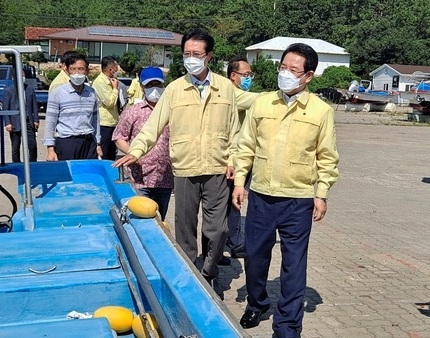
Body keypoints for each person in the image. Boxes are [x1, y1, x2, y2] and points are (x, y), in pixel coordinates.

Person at [114, 29, 240, 299]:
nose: (191, 59)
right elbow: (153, 126)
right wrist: (136, 150)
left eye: (197, 54)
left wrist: (233, 160)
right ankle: (190, 277)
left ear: (209, 56)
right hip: (184, 169)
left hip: (218, 168)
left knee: (218, 230)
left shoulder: (225, 88)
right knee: (184, 231)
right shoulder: (174, 89)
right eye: (187, 54)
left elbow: (235, 130)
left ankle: (208, 272)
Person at [232, 43, 339, 336]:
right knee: (254, 257)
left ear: (308, 76)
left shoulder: (321, 111)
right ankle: (257, 303)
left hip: (299, 200)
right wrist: (240, 182)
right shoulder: (262, 104)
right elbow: (245, 147)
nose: (286, 74)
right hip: (262, 196)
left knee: (294, 266)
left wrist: (322, 193)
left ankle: (288, 326)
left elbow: (327, 157)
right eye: (283, 68)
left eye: (293, 70)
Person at [112, 67, 173, 219]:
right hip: (140, 178)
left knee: (160, 219)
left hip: (164, 178)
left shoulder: (172, 111)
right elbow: (119, 137)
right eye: (149, 85)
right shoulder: (133, 111)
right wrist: (132, 153)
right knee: (141, 219)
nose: (154, 89)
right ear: (141, 87)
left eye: (157, 85)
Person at [223, 55, 260, 261]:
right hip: (232, 160)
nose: (249, 78)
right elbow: (260, 99)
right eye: (246, 75)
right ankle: (235, 241)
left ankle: (232, 239)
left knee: (234, 201)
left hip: (243, 157)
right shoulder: (233, 94)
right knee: (233, 202)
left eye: (250, 75)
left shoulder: (241, 94)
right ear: (233, 76)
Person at [43, 53, 102, 161]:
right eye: (73, 69)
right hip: (67, 143)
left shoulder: (91, 92)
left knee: (87, 176)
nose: (77, 73)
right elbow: (50, 122)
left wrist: (98, 143)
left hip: (88, 143)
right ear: (67, 71)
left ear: (87, 71)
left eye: (80, 69)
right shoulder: (58, 93)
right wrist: (50, 149)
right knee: (69, 175)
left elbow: (95, 120)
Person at [3, 69, 40, 162]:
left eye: (23, 75)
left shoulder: (29, 89)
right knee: (15, 147)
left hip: (28, 121)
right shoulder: (8, 91)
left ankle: (32, 164)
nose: (22, 77)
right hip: (15, 123)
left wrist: (36, 119)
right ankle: (17, 165)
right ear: (13, 77)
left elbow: (34, 106)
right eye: (19, 75)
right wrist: (7, 123)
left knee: (32, 146)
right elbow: (5, 108)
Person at [92, 56, 121, 160]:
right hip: (104, 124)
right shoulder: (100, 82)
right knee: (104, 154)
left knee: (111, 154)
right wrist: (115, 89)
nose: (117, 70)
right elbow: (109, 103)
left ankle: (111, 175)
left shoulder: (112, 80)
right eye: (116, 68)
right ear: (110, 69)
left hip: (113, 122)